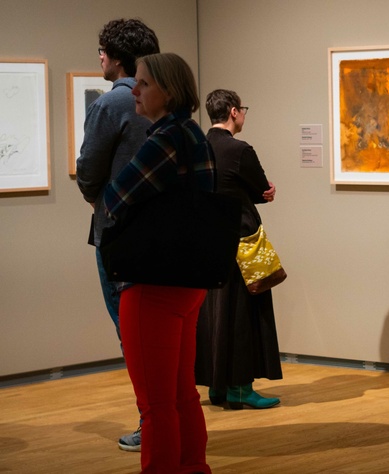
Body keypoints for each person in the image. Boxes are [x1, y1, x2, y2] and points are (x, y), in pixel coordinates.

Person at [103, 52, 213, 474]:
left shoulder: (164, 139)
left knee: (155, 405)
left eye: (144, 83)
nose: (135, 89)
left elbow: (114, 199)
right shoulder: (194, 135)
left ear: (168, 91)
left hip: (153, 285)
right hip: (188, 281)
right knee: (183, 394)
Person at [75, 17, 159, 453]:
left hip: (118, 231)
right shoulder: (162, 102)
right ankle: (164, 416)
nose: (100, 56)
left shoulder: (111, 105)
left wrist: (95, 199)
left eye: (104, 49)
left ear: (118, 56)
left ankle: (151, 419)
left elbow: (88, 170)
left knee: (132, 332)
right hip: (161, 233)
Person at [194, 89, 282, 410]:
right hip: (241, 239)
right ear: (233, 112)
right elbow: (261, 188)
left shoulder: (197, 146)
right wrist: (266, 193)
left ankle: (217, 387)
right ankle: (242, 388)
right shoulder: (240, 150)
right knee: (243, 310)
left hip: (206, 239)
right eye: (243, 109)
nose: (243, 114)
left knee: (212, 312)